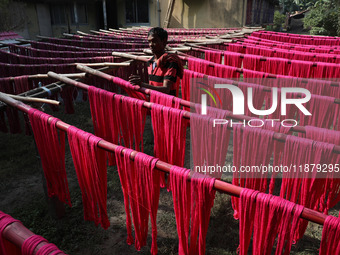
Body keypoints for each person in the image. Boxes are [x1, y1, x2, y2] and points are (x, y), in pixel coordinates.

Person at [129, 27, 183, 96]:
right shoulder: (150, 62)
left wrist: (142, 84)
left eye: (154, 41)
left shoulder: (170, 61)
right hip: (154, 103)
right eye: (149, 41)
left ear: (163, 41)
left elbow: (166, 89)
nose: (151, 44)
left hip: (167, 105)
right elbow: (152, 86)